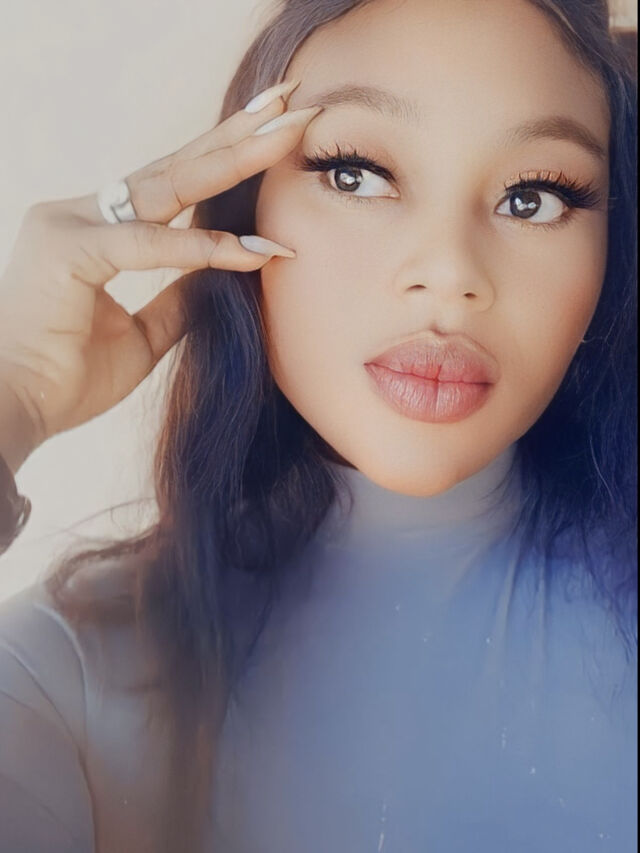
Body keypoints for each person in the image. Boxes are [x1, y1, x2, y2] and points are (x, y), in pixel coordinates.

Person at [0, 0, 636, 850]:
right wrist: (15, 399)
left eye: (534, 197)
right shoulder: (62, 677)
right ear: (243, 205)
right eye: (355, 175)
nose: (449, 273)